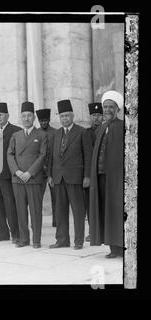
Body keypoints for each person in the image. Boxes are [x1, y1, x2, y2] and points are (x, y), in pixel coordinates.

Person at [47, 100, 92, 250]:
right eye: (62, 116)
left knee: (78, 210)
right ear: (59, 117)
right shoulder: (56, 134)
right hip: (58, 178)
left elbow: (88, 156)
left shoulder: (82, 132)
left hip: (76, 178)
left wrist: (87, 176)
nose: (64, 118)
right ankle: (62, 240)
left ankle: (78, 241)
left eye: (67, 115)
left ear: (72, 116)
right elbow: (50, 157)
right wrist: (50, 175)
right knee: (60, 210)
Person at [7, 101, 48, 248]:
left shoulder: (42, 135)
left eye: (29, 116)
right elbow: (9, 155)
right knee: (20, 211)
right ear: (21, 117)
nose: (26, 118)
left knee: (36, 211)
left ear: (34, 118)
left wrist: (29, 173)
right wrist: (17, 171)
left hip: (34, 178)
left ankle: (36, 240)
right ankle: (24, 239)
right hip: (18, 179)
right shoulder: (16, 135)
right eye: (24, 116)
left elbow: (42, 156)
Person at [89, 91, 124, 258]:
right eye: (105, 107)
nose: (107, 109)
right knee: (105, 211)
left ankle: (122, 246)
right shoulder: (101, 128)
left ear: (117, 109)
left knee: (117, 211)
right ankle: (112, 248)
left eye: (111, 107)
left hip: (116, 179)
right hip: (101, 177)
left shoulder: (123, 126)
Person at [0, 102, 22, 243]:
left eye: (1, 115)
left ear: (7, 115)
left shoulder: (15, 131)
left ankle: (15, 233)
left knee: (10, 204)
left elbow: (17, 154)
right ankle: (2, 233)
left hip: (8, 174)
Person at [85, 102, 103, 242]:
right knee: (91, 204)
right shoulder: (87, 133)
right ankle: (93, 231)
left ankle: (105, 231)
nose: (96, 118)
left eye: (99, 115)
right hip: (91, 175)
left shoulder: (107, 130)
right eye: (94, 115)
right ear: (90, 117)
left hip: (103, 174)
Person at [36, 108, 57, 227]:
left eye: (45, 120)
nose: (43, 123)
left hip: (53, 169)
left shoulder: (55, 132)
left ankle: (56, 221)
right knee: (38, 197)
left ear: (49, 120)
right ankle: (37, 221)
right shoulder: (36, 133)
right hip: (39, 170)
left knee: (56, 197)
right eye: (41, 121)